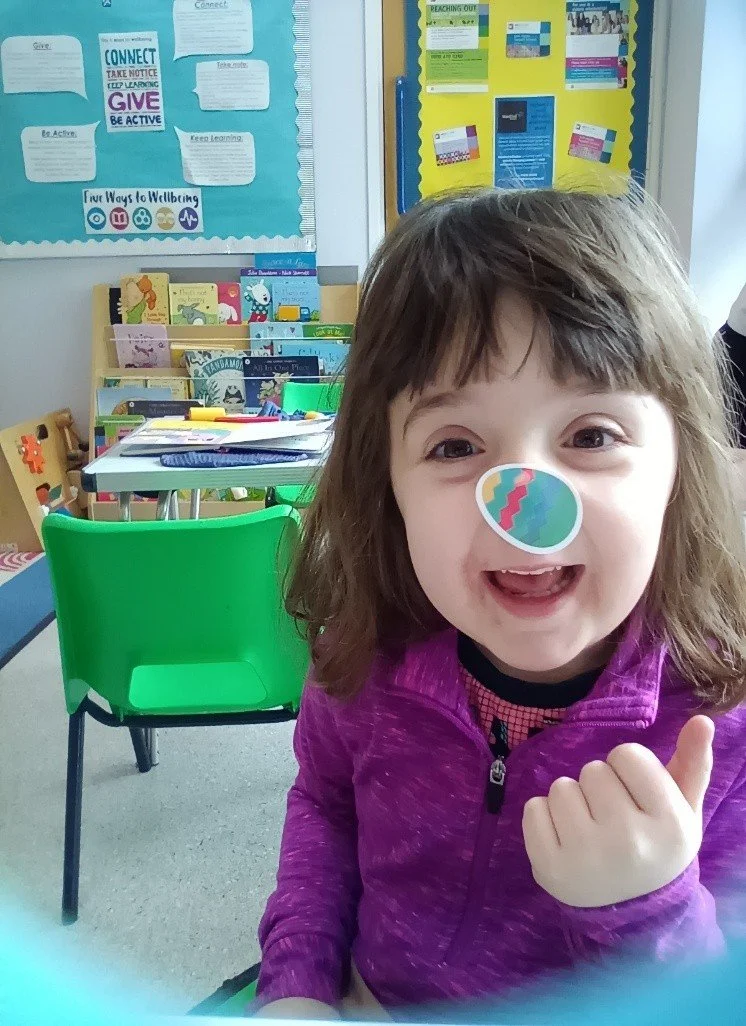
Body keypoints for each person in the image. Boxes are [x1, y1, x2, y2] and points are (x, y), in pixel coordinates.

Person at [256, 188, 746, 1018]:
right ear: (391, 485)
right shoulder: (361, 657)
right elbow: (324, 810)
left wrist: (649, 904)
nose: (521, 507)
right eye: (455, 446)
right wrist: (297, 984)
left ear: (678, 467)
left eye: (591, 436)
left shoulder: (718, 723)